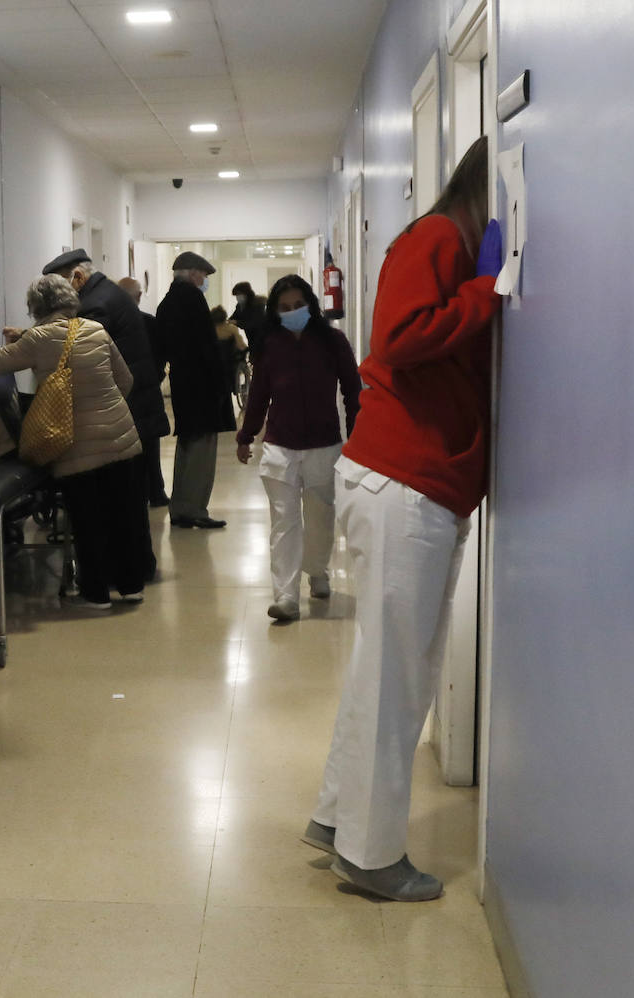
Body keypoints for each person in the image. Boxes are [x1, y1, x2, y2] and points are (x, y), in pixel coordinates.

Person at [305, 136, 503, 902]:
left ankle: (336, 818)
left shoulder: (450, 242)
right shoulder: (437, 237)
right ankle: (371, 855)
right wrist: (490, 290)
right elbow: (402, 336)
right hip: (403, 482)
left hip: (413, 483)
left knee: (385, 669)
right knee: (398, 678)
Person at [0, 275, 147, 608]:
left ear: (36, 307)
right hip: (121, 438)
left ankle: (96, 594)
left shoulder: (37, 339)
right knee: (123, 516)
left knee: (88, 520)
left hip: (75, 447)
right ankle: (131, 586)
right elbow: (126, 381)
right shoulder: (95, 329)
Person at [235, 274, 360, 622]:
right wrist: (246, 435)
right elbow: (259, 395)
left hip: (323, 445)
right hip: (280, 445)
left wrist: (358, 438)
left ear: (311, 305)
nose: (293, 312)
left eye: (299, 305)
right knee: (284, 522)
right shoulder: (269, 345)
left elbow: (352, 391)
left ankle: (317, 570)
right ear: (276, 312)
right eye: (285, 307)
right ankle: (286, 596)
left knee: (320, 520)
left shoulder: (333, 341)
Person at [42, 250, 164, 577]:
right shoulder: (109, 293)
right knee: (129, 500)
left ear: (78, 277)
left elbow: (77, 349)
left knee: (116, 502)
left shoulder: (95, 306)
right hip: (134, 408)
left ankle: (120, 570)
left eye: (62, 284)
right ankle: (137, 568)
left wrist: (32, 340)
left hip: (122, 413)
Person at [156, 251, 236, 528]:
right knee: (201, 452)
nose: (204, 280)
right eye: (202, 275)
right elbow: (206, 346)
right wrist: (220, 385)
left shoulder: (168, 302)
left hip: (183, 385)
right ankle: (194, 509)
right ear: (192, 274)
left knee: (187, 446)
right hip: (202, 387)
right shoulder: (192, 299)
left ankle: (180, 507)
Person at [117, 275, 170, 506]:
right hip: (147, 393)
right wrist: (154, 379)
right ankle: (156, 492)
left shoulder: (108, 324)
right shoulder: (149, 323)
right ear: (139, 296)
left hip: (121, 396)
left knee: (126, 449)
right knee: (150, 445)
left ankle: (132, 495)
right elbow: (161, 357)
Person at [232, 281, 268, 363]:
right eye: (236, 295)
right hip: (251, 341)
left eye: (239, 294)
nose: (237, 297)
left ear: (246, 293)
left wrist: (237, 323)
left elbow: (254, 323)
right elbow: (234, 317)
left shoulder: (258, 305)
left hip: (262, 341)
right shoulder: (240, 306)